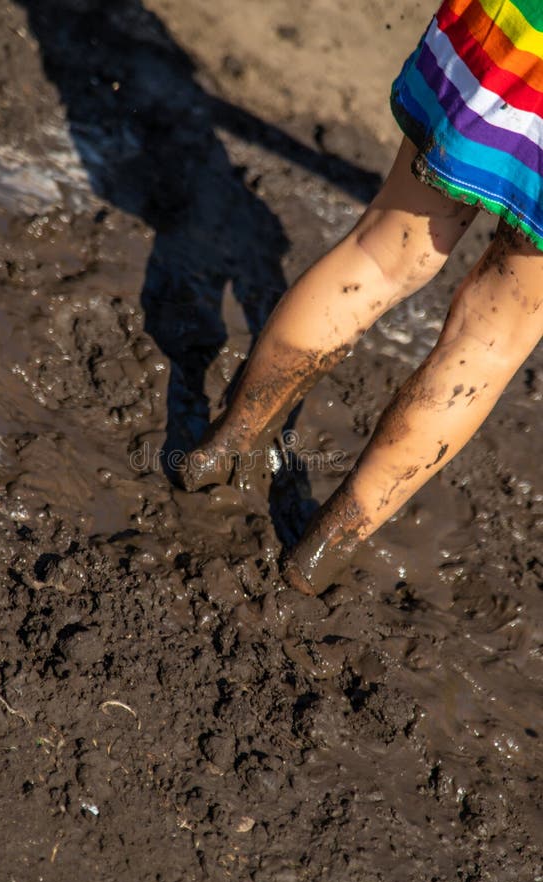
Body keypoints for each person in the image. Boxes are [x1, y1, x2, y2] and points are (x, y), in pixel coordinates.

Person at [178, 0, 543, 595]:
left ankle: (224, 443)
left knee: (380, 253)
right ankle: (321, 552)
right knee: (489, 340)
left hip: (519, 37)